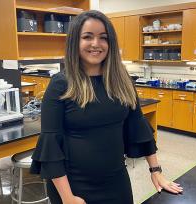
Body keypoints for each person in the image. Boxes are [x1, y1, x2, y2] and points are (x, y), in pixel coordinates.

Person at [30, 10, 183, 204]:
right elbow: (51, 146)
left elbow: (137, 126)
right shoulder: (61, 84)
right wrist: (68, 198)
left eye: (103, 38)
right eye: (87, 37)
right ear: (75, 42)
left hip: (116, 181)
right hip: (73, 187)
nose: (96, 44)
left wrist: (156, 171)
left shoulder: (121, 80)